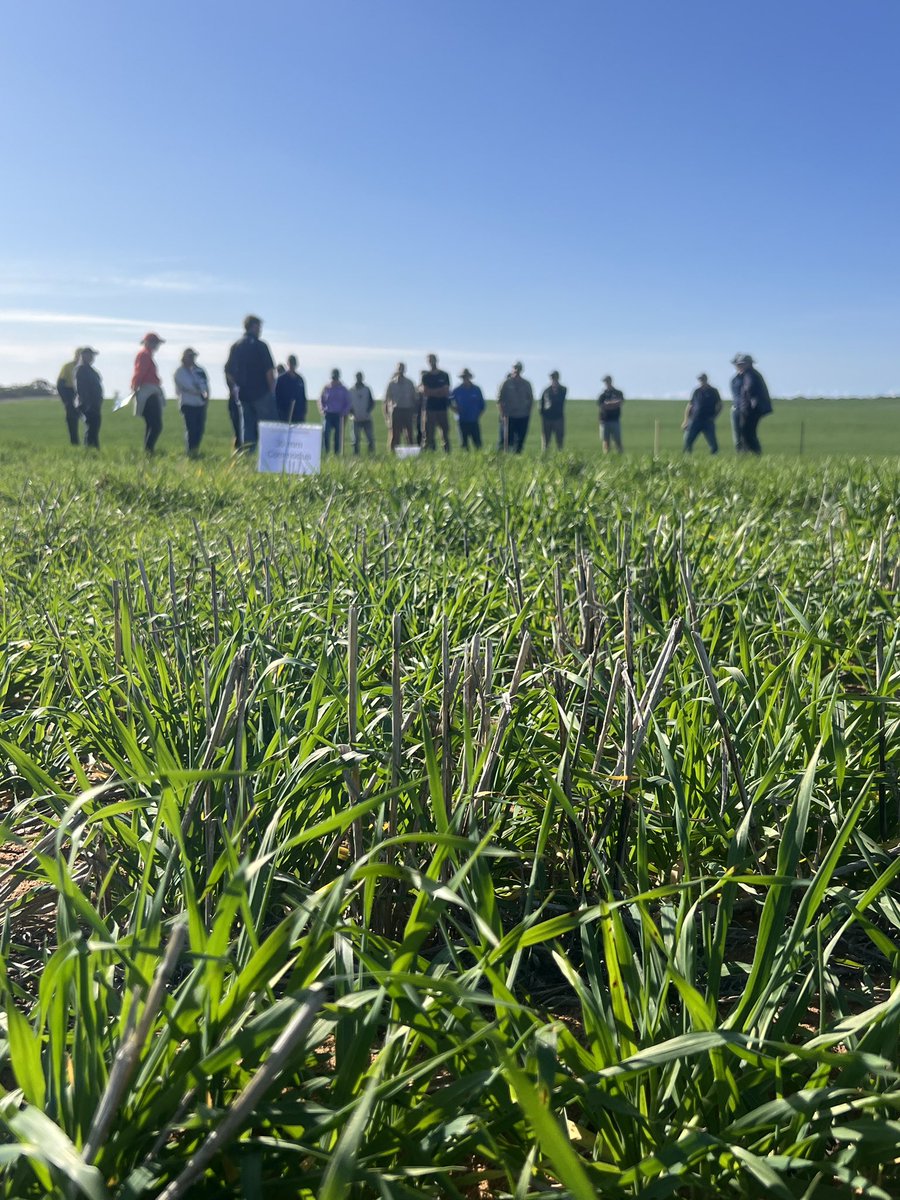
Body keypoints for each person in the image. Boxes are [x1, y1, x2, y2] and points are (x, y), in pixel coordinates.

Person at [224, 315, 276, 450]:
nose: (260, 330)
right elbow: (269, 372)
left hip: (243, 395)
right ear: (254, 326)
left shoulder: (236, 346)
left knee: (247, 430)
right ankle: (269, 459)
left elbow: (228, 372)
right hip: (261, 393)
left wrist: (234, 389)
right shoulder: (261, 346)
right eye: (259, 327)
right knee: (268, 429)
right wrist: (272, 391)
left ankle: (248, 460)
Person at [731, 354, 772, 455]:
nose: (740, 366)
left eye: (742, 364)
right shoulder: (753, 374)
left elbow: (750, 389)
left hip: (750, 409)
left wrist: (747, 405)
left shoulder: (749, 374)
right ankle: (752, 454)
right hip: (752, 408)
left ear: (748, 364)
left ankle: (753, 454)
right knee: (748, 433)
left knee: (746, 433)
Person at [132, 332, 166, 454]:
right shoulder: (144, 355)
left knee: (151, 424)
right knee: (156, 425)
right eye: (155, 343)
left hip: (149, 390)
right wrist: (135, 385)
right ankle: (148, 451)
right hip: (149, 391)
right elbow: (140, 372)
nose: (156, 345)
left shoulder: (146, 355)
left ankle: (148, 451)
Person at [174, 348, 210, 457]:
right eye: (190, 356)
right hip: (187, 404)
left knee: (199, 429)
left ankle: (195, 451)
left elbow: (204, 385)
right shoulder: (180, 372)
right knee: (191, 429)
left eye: (193, 356)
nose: (192, 359)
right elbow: (189, 387)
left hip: (200, 403)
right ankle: (190, 452)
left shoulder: (199, 371)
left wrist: (203, 394)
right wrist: (199, 389)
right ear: (184, 357)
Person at [497, 361, 534, 452]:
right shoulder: (506, 383)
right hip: (509, 416)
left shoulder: (526, 384)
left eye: (519, 368)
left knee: (520, 440)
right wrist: (502, 413)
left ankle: (518, 456)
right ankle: (504, 457)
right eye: (515, 368)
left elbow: (531, 399)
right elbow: (499, 399)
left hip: (522, 415)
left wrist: (528, 412)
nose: (517, 370)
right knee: (506, 440)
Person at [682, 373, 722, 454]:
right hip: (695, 419)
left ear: (706, 379)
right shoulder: (696, 391)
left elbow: (720, 405)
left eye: (703, 379)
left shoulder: (713, 391)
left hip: (708, 420)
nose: (701, 381)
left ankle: (714, 456)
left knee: (712, 441)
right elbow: (690, 405)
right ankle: (687, 456)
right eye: (700, 379)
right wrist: (686, 420)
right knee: (688, 440)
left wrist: (714, 417)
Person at [384, 362, 419, 450]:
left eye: (402, 368)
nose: (401, 370)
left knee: (409, 434)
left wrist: (414, 413)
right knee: (394, 435)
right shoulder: (391, 384)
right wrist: (387, 416)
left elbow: (414, 398)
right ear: (396, 369)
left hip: (408, 410)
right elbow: (386, 400)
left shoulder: (410, 383)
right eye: (399, 368)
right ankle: (393, 454)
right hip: (396, 411)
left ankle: (411, 453)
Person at [420, 353, 452, 452]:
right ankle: (429, 452)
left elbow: (446, 391)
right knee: (429, 433)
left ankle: (446, 452)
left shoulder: (444, 375)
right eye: (430, 360)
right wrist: (439, 391)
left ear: (436, 360)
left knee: (445, 432)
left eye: (433, 360)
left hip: (442, 407)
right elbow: (425, 392)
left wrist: (432, 392)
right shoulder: (426, 376)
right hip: (430, 408)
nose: (431, 362)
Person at [75, 347, 103, 449]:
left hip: (94, 404)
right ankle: (90, 450)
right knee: (92, 428)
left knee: (94, 428)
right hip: (88, 405)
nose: (92, 358)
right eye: (90, 355)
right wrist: (87, 404)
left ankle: (93, 450)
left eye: (92, 356)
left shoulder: (90, 370)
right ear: (84, 356)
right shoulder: (82, 370)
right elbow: (81, 389)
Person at [451, 368, 485, 449]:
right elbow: (449, 401)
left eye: (466, 377)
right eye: (463, 377)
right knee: (464, 444)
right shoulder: (457, 390)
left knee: (478, 443)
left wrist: (478, 415)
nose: (465, 379)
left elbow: (482, 405)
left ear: (469, 377)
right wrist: (455, 409)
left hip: (474, 420)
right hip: (462, 420)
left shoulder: (476, 389)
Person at [319, 368, 351, 455]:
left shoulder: (343, 389)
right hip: (328, 414)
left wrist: (344, 412)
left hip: (338, 415)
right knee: (326, 433)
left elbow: (348, 403)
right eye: (333, 378)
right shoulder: (326, 388)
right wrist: (322, 409)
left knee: (338, 436)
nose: (334, 379)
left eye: (336, 378)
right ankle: (326, 452)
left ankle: (337, 453)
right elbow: (321, 400)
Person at [56, 348, 82, 445]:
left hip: (81, 394)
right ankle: (74, 443)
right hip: (70, 392)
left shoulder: (84, 368)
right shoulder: (67, 366)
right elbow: (60, 384)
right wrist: (66, 400)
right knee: (72, 419)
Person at [348, 371, 376, 455]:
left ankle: (371, 455)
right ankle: (356, 456)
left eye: (360, 377)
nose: (359, 378)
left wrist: (367, 411)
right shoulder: (351, 390)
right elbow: (348, 404)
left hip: (367, 418)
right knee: (355, 440)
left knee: (370, 438)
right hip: (355, 419)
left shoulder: (367, 389)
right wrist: (352, 413)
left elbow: (372, 402)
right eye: (357, 377)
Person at [275, 354, 307, 423]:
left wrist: (304, 412)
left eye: (294, 363)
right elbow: (276, 396)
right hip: (284, 413)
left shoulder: (300, 379)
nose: (292, 366)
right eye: (291, 363)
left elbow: (303, 397)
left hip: (298, 414)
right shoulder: (281, 379)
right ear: (288, 364)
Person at [540, 371, 567, 451]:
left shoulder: (563, 389)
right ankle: (544, 456)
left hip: (558, 417)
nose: (553, 379)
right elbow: (541, 403)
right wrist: (543, 414)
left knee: (559, 440)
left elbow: (560, 400)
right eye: (552, 378)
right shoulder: (546, 390)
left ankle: (560, 456)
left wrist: (555, 390)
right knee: (546, 440)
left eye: (555, 377)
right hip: (547, 418)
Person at [597, 375, 624, 452]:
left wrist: (609, 404)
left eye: (607, 381)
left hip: (615, 420)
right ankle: (607, 458)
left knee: (618, 440)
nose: (606, 383)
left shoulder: (618, 393)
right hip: (605, 421)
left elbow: (619, 403)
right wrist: (613, 404)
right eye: (605, 382)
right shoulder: (602, 395)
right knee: (605, 442)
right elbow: (602, 406)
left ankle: (620, 455)